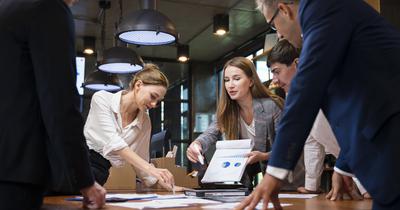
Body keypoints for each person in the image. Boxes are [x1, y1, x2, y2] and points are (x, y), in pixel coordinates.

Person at [236, 0, 400, 210]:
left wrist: (275, 172)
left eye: (273, 25)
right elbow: (357, 99)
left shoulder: (320, 6)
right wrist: (343, 167)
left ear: (284, 9)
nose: (278, 35)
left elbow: (306, 89)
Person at [0, 0, 106, 209]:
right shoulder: (48, 7)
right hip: (16, 170)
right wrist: (84, 180)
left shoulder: (8, 8)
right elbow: (60, 101)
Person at [267, 39, 368, 199]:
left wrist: (340, 169)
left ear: (297, 63)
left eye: (277, 71)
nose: (274, 80)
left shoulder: (327, 84)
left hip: (373, 157)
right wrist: (311, 186)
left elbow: (353, 133)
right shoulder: (293, 95)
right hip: (355, 164)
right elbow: (311, 141)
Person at [186, 57, 304, 189]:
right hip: (248, 181)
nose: (230, 85)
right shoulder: (227, 112)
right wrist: (197, 144)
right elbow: (210, 134)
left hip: (287, 179)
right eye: (226, 80)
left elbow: (289, 147)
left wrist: (263, 156)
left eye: (236, 79)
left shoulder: (272, 106)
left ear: (251, 81)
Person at [85, 64, 176, 191]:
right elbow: (114, 143)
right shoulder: (102, 99)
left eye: (158, 101)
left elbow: (142, 165)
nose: (154, 104)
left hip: (100, 174)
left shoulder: (145, 121)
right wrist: (152, 169)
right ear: (138, 85)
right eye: (153, 96)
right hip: (78, 164)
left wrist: (168, 186)